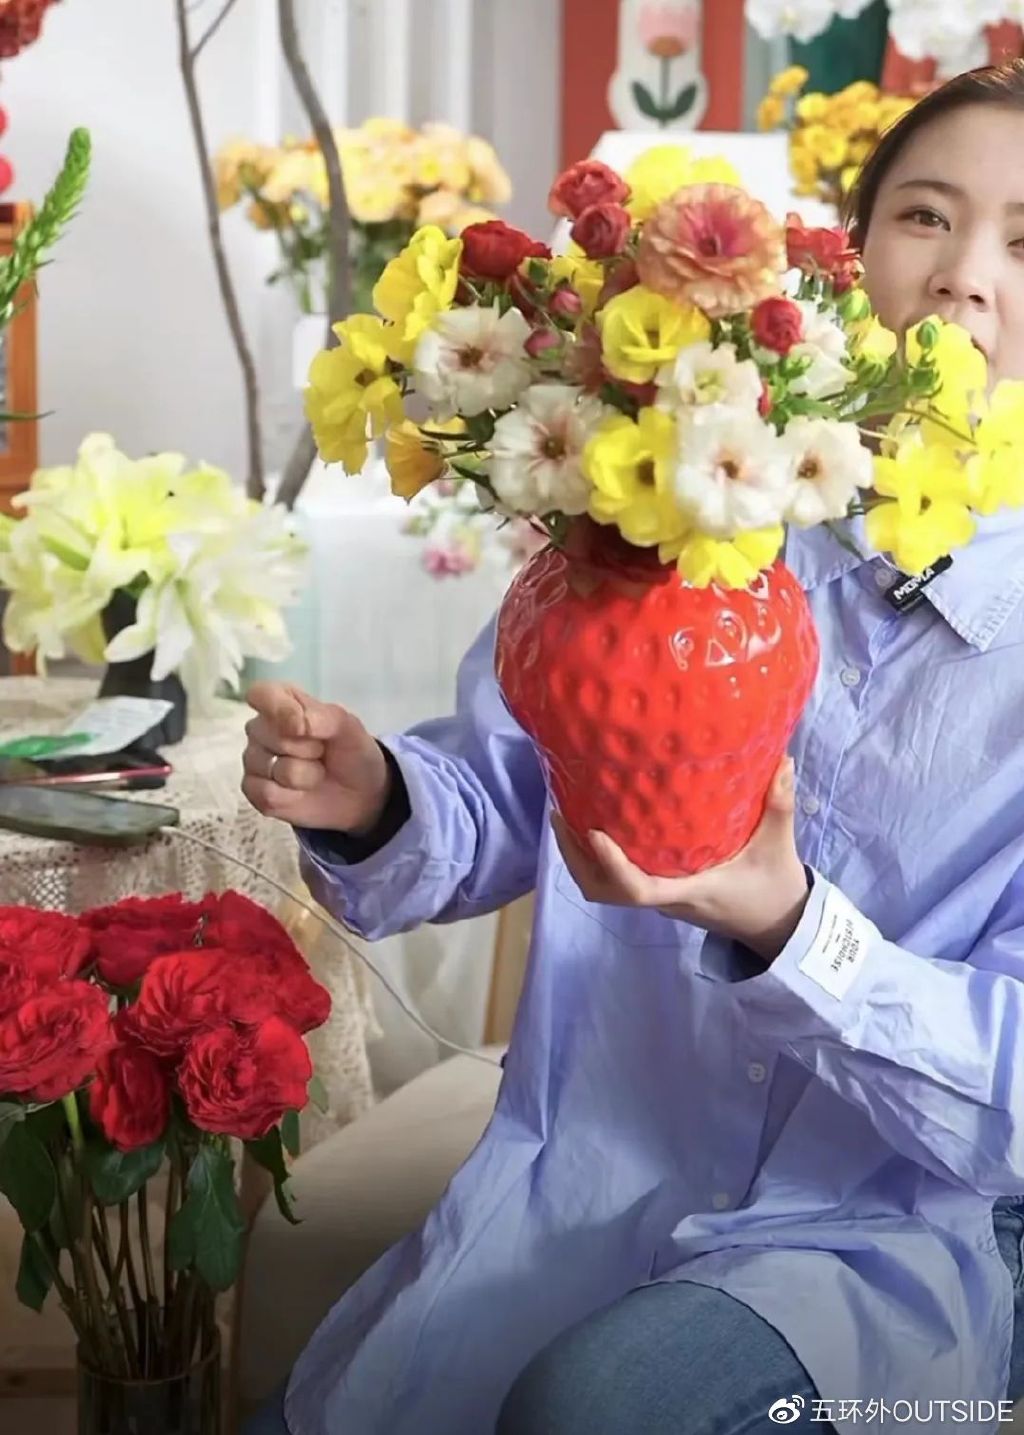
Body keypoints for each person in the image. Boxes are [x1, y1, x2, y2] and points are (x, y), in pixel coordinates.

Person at [240, 62, 1024, 1435]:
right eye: (925, 216)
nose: (965, 274)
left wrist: (792, 932)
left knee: (591, 1408)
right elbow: (509, 790)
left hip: (895, 1236)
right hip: (593, 1174)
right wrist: (376, 800)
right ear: (843, 268)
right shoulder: (674, 518)